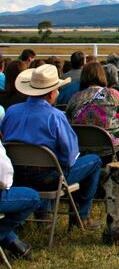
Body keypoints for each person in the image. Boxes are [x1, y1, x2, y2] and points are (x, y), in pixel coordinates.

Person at [1, 64, 102, 229]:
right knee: (94, 161)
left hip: (16, 177)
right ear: (51, 94)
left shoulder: (11, 112)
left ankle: (44, 213)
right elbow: (70, 157)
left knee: (49, 164)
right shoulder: (55, 116)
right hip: (49, 179)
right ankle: (81, 216)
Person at [65, 63, 119, 147]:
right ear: (102, 76)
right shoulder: (113, 95)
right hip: (109, 147)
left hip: (82, 147)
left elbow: (68, 121)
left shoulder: (75, 97)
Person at [0, 140, 41, 261]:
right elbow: (4, 178)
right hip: (45, 174)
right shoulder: (55, 119)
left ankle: (14, 243)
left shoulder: (9, 119)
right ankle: (13, 242)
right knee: (33, 198)